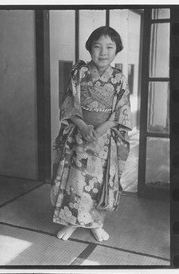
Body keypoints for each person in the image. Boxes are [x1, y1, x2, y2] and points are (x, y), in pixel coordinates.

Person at [51, 26, 132, 242]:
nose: (103, 52)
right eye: (98, 46)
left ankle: (97, 224)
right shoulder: (79, 74)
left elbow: (121, 111)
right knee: (75, 181)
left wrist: (103, 128)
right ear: (90, 48)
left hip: (104, 139)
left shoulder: (118, 79)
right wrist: (83, 126)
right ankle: (71, 222)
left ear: (117, 50)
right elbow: (68, 106)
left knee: (98, 183)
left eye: (109, 47)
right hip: (80, 134)